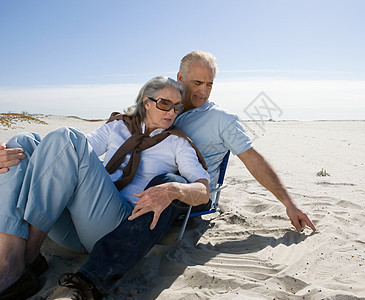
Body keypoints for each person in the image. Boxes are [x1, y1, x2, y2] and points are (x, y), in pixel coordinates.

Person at [1, 51, 316, 300]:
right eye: (197, 84)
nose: (203, 92)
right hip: (86, 208)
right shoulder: (124, 124)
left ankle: (21, 261)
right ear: (176, 82)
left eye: (210, 85)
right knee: (23, 144)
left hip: (141, 207)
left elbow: (250, 160)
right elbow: (73, 150)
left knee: (73, 141)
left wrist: (288, 203)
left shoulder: (200, 130)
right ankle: (12, 251)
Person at [0, 76, 210, 300]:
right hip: (71, 226)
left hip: (112, 227)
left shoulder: (177, 142)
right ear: (146, 102)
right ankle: (7, 254)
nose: (171, 112)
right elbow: (63, 154)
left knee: (68, 137)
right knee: (22, 143)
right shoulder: (119, 126)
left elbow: (203, 190)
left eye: (177, 107)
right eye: (165, 104)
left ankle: (25, 258)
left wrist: (174, 190)